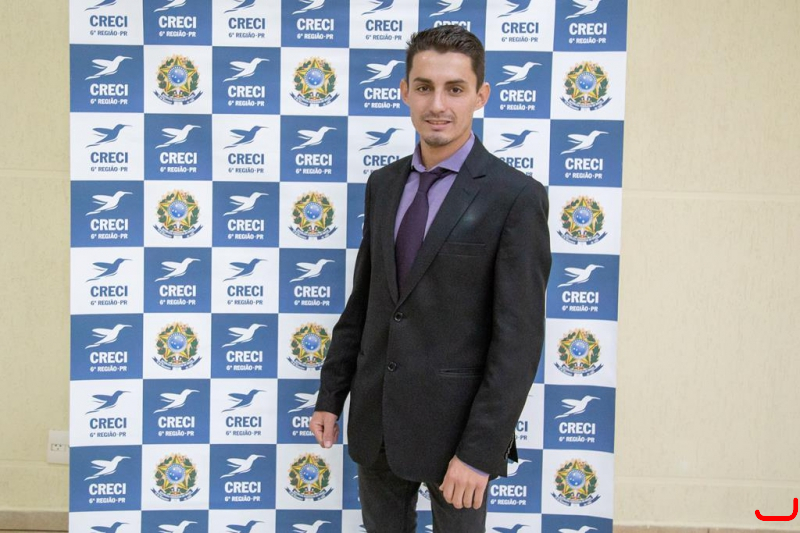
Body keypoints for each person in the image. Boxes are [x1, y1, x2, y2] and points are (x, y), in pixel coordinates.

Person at [310, 25, 551, 533]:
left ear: (480, 96)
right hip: (377, 423)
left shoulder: (515, 197)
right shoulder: (384, 184)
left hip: (458, 439)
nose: (437, 104)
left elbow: (519, 342)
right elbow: (366, 301)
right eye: (424, 87)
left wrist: (481, 452)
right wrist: (332, 395)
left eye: (455, 89)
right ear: (405, 91)